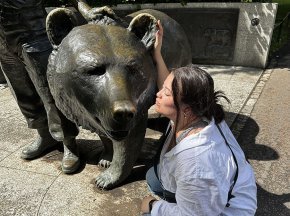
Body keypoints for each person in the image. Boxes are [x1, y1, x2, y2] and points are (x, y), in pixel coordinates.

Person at [140, 21, 257, 215]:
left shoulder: (196, 162)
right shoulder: (195, 110)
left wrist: (153, 206)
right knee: (154, 177)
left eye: (166, 93)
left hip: (227, 210)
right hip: (209, 185)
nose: (158, 94)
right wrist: (157, 53)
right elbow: (169, 83)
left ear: (185, 107)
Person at [0, 0, 80, 173]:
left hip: (32, 30)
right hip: (2, 38)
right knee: (22, 92)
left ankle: (69, 142)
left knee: (50, 92)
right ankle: (44, 135)